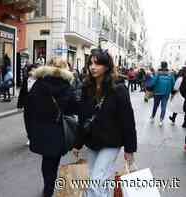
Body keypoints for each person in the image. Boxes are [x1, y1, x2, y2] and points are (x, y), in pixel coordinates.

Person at [73, 48, 137, 197]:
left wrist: (130, 148)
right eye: (91, 63)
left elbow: (128, 120)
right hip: (93, 141)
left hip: (111, 142)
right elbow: (83, 118)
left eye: (97, 64)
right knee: (100, 181)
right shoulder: (86, 87)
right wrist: (77, 143)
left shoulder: (119, 89)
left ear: (107, 66)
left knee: (95, 182)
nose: (93, 67)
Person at [25, 57, 78, 197]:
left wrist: (30, 132)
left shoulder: (39, 84)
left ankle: (48, 187)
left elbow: (29, 110)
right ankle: (49, 186)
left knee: (46, 161)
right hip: (59, 131)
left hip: (41, 131)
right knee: (53, 162)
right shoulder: (67, 86)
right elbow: (73, 109)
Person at [17, 64, 40, 145]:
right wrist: (20, 104)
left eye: (34, 70)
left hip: (37, 105)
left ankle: (36, 137)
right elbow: (22, 92)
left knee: (36, 122)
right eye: (31, 70)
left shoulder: (40, 80)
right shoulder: (26, 79)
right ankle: (30, 137)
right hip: (27, 105)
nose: (32, 72)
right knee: (27, 122)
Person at [150, 61, 175, 126]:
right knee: (163, 107)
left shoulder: (157, 73)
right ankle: (161, 120)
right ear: (167, 66)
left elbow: (153, 82)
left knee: (155, 105)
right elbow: (173, 84)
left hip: (157, 93)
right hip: (166, 93)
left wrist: (150, 87)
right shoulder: (170, 74)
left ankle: (153, 117)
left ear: (161, 66)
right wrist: (172, 93)